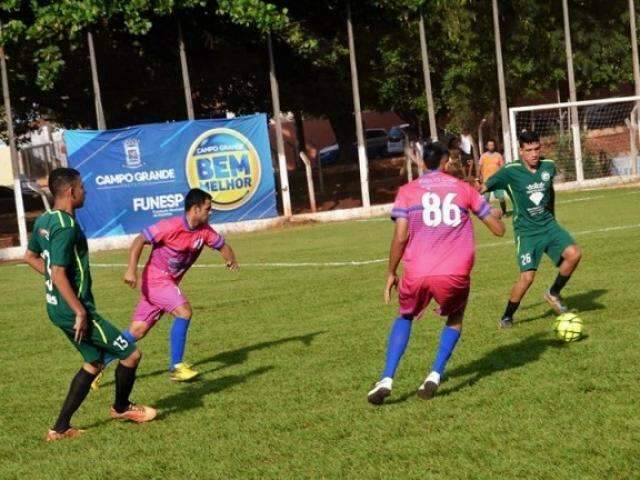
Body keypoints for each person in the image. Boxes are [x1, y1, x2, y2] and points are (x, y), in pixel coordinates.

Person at [367, 143, 505, 405]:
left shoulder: (407, 192)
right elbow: (498, 230)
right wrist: (496, 213)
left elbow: (400, 236)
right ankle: (435, 373)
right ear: (445, 163)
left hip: (417, 270)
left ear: (424, 163)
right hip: (454, 271)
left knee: (405, 315)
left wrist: (391, 272)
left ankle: (386, 379)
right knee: (456, 314)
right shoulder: (464, 189)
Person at [24, 168, 156, 442]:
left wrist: (61, 291)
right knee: (131, 355)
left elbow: (30, 257)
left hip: (56, 308)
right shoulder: (66, 226)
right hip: (74, 310)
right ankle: (121, 408)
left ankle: (59, 428)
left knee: (93, 362)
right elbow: (57, 271)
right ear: (71, 192)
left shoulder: (45, 220)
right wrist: (80, 310)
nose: (86, 191)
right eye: (82, 187)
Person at [92, 188, 238, 388]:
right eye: (207, 208)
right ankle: (176, 366)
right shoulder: (170, 226)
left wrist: (230, 260)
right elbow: (139, 240)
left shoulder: (205, 231)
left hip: (165, 284)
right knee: (184, 312)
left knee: (137, 330)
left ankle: (96, 364)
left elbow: (223, 246)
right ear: (195, 209)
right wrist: (131, 270)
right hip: (156, 281)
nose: (210, 212)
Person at [482, 130, 582, 328]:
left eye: (537, 149)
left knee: (574, 254)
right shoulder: (510, 171)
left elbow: (549, 191)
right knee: (527, 278)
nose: (534, 154)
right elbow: (482, 189)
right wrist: (486, 209)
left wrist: (552, 215)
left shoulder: (548, 166)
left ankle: (553, 293)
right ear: (521, 151)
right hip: (526, 232)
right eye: (529, 150)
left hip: (548, 225)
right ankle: (507, 316)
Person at [478, 139, 507, 215]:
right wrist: (479, 176)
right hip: (486, 181)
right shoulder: (483, 156)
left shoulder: (498, 155)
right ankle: (486, 214)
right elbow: (480, 166)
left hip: (497, 181)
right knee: (486, 199)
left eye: (493, 145)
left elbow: (502, 167)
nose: (491, 146)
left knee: (501, 198)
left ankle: (504, 212)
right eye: (490, 145)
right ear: (487, 146)